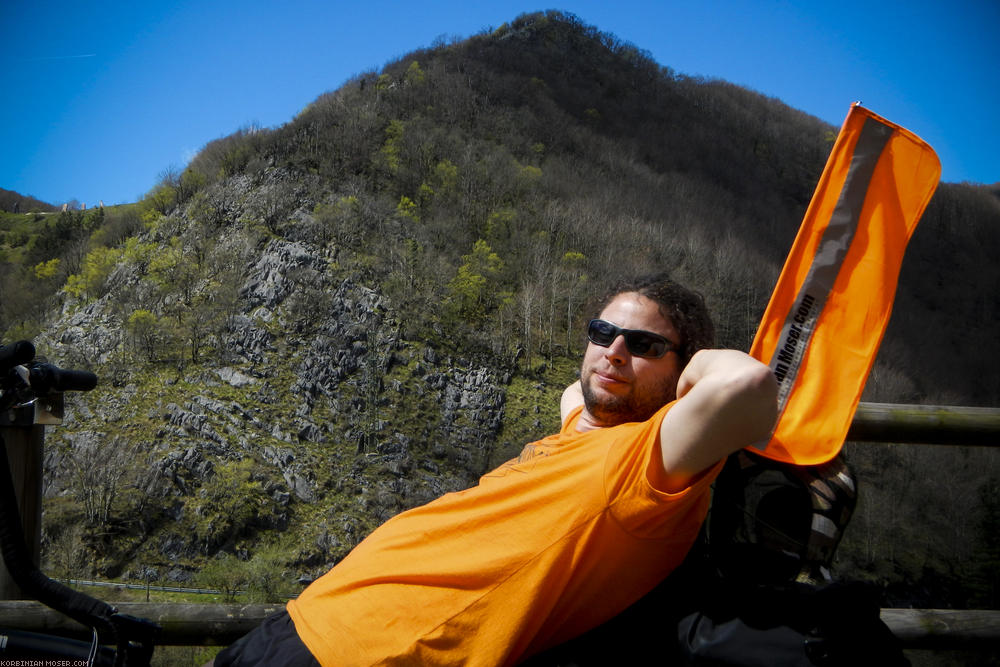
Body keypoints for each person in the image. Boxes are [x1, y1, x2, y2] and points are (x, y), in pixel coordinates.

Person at [211, 273, 778, 666]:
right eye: (602, 334)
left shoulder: (647, 463)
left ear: (681, 374)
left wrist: (691, 364)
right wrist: (648, 361)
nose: (613, 351)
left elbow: (746, 387)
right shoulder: (582, 429)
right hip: (306, 620)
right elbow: (573, 396)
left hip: (371, 654)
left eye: (644, 344)